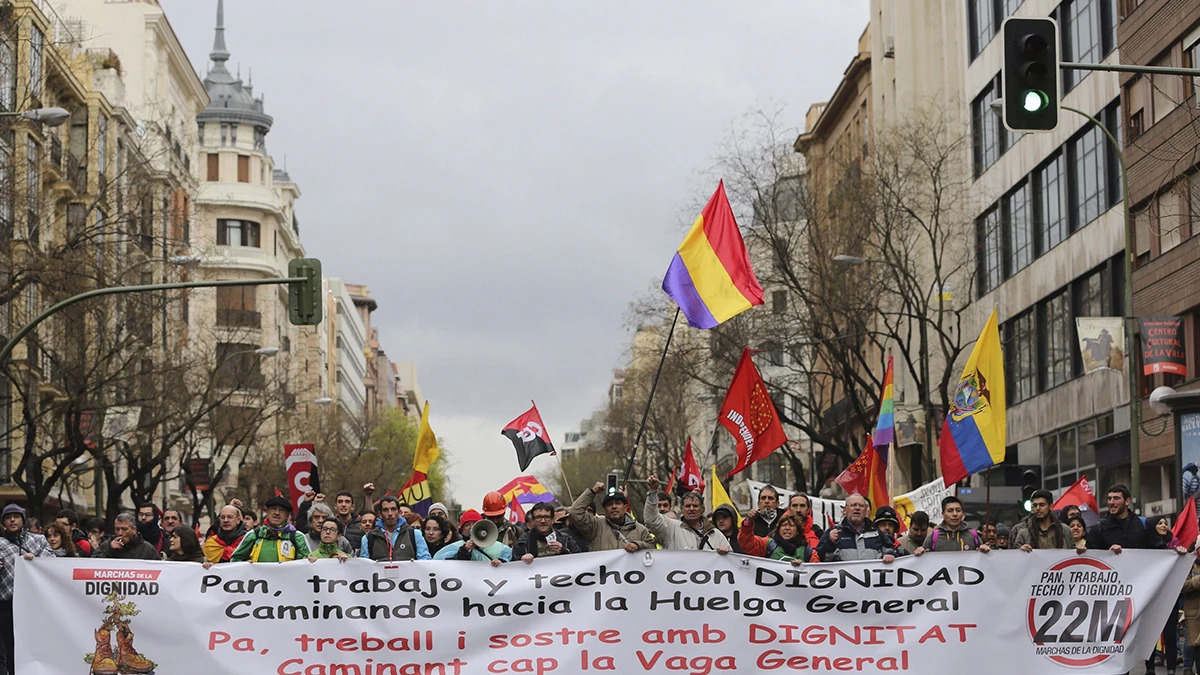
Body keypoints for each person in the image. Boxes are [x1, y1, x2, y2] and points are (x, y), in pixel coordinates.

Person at [0, 505, 52, 674]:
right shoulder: (0, 544)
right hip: (7, 604)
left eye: (16, 516)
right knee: (11, 646)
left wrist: (36, 560)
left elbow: (53, 560)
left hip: (34, 604)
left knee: (34, 644)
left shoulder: (38, 540)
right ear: (4, 522)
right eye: (8, 517)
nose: (12, 520)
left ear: (23, 520)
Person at [1085, 485, 1186, 553]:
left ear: (1127, 501)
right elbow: (1091, 558)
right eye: (1109, 498)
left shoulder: (1145, 525)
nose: (1111, 502)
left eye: (1116, 498)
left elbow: (1160, 552)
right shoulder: (1098, 529)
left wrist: (1175, 552)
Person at [642, 475, 730, 552]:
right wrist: (653, 492)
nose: (691, 509)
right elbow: (651, 520)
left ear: (702, 509)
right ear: (682, 509)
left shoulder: (716, 535)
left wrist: (726, 553)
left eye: (695, 506)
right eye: (688, 506)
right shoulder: (671, 529)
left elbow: (731, 561)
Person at [567, 481, 654, 553]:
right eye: (609, 504)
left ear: (625, 507)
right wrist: (592, 492)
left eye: (618, 503)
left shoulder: (640, 530)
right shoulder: (596, 526)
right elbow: (574, 513)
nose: (614, 506)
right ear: (605, 510)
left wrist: (637, 545)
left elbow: (653, 548)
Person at [817, 494, 904, 562]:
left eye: (861, 506)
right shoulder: (833, 532)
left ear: (866, 510)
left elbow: (893, 550)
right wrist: (829, 543)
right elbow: (821, 559)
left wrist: (890, 554)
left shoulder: (876, 532)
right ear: (845, 510)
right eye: (853, 505)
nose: (857, 508)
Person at [1146, 515, 1183, 674]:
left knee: (1170, 634)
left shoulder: (1174, 544)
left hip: (1169, 595)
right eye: (1159, 523)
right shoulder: (1145, 546)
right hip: (1151, 596)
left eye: (1165, 523)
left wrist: (1180, 553)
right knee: (1150, 635)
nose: (1163, 525)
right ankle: (1150, 668)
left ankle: (1172, 669)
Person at [231, 496, 310, 562]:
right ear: (267, 512)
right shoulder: (253, 535)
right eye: (273, 509)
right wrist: (245, 565)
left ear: (287, 515)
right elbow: (235, 559)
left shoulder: (297, 537)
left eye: (281, 510)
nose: (277, 513)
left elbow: (306, 563)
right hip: (256, 580)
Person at [361, 495, 430, 561]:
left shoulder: (414, 534)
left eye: (393, 509)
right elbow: (364, 565)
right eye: (385, 510)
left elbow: (425, 560)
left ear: (400, 513)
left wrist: (414, 565)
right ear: (380, 515)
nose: (390, 513)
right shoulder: (368, 538)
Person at [513, 502, 583, 563]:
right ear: (533, 520)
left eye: (547, 517)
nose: (543, 521)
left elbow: (579, 561)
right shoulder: (523, 542)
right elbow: (512, 566)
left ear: (552, 520)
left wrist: (563, 550)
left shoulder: (565, 539)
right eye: (538, 517)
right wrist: (521, 559)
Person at [917, 496, 990, 553]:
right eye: (950, 511)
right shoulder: (933, 537)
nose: (955, 514)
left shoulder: (973, 535)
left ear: (962, 514)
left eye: (958, 510)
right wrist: (920, 552)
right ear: (943, 514)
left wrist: (984, 550)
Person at [739, 511, 817, 564]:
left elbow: (815, 572)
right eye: (783, 525)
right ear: (778, 529)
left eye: (791, 525)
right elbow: (746, 543)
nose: (787, 528)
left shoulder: (809, 553)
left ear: (797, 531)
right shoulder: (767, 545)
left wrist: (803, 567)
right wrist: (748, 522)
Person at [1182, 552, 1200, 675]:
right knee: (1190, 640)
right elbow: (1181, 586)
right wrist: (1197, 581)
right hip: (1193, 610)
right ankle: (1187, 667)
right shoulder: (1189, 564)